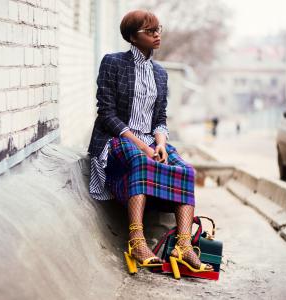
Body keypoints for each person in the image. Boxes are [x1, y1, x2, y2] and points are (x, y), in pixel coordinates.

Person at [87, 10, 213, 275]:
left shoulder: (160, 73)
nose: (157, 35)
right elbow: (106, 114)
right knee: (140, 162)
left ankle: (183, 245)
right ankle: (136, 241)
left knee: (186, 171)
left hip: (149, 140)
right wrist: (143, 147)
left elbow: (160, 117)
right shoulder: (113, 63)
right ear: (132, 37)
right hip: (118, 138)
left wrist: (160, 143)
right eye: (149, 31)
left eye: (158, 29)